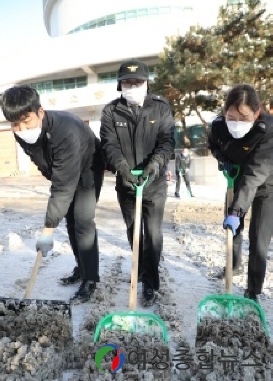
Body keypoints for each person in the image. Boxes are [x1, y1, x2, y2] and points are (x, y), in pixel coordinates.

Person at [0, 85, 104, 302]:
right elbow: (41, 162)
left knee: (83, 221)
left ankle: (91, 279)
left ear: (40, 112)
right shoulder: (22, 133)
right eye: (14, 124)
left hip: (88, 167)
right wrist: (54, 177)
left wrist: (47, 231)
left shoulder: (66, 131)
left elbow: (63, 188)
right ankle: (81, 268)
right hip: (63, 171)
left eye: (25, 121)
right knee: (70, 222)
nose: (20, 128)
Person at [100, 58, 175, 306]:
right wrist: (123, 169)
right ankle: (140, 271)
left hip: (153, 185)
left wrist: (154, 166)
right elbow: (109, 145)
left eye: (137, 82)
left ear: (146, 83)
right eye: (127, 82)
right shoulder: (111, 111)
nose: (132, 86)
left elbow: (166, 142)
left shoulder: (161, 108)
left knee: (152, 234)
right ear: (120, 85)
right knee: (135, 233)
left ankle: (150, 283)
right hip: (126, 185)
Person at [208, 83, 273, 302]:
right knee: (232, 230)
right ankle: (233, 266)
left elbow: (255, 174)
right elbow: (214, 146)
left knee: (259, 239)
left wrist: (236, 210)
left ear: (256, 113)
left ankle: (253, 289)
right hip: (235, 180)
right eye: (231, 117)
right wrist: (223, 160)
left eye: (244, 118)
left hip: (266, 185)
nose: (236, 123)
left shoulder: (269, 130)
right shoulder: (218, 126)